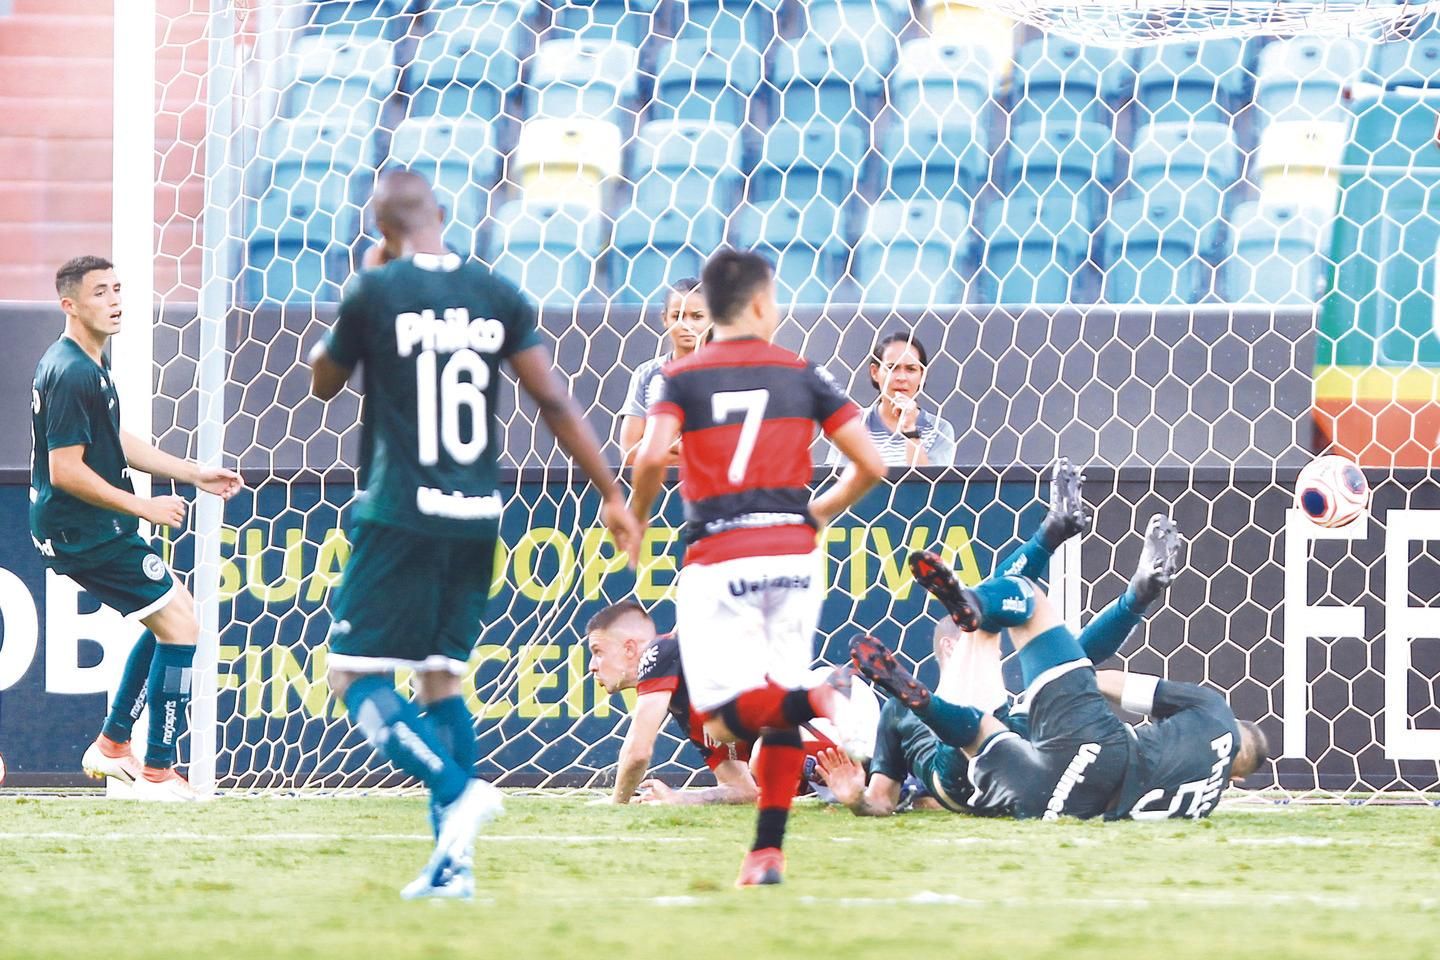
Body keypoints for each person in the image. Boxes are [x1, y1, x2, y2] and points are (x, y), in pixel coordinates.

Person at [308, 169, 641, 900]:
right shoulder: (497, 293)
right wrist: (612, 492)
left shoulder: (377, 291)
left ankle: (455, 786)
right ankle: (452, 869)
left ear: (381, 228)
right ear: (444, 215)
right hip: (477, 517)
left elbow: (324, 381)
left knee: (353, 676)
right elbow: (552, 398)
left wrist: (363, 284)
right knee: (439, 679)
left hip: (399, 511)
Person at [628, 249, 888, 886]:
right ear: (765, 306)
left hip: (719, 556)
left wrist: (634, 517)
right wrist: (814, 515)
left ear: (709, 314)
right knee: (776, 712)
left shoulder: (681, 378)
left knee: (722, 718)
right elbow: (873, 463)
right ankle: (766, 852)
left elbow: (648, 456)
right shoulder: (801, 372)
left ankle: (822, 695)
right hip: (794, 557)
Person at [849, 543, 1270, 821]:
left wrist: (857, 797)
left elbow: (881, 798)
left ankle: (1005, 580)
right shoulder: (1208, 797)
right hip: (1051, 796)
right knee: (982, 722)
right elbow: (887, 797)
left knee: (1021, 598)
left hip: (967, 774)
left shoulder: (896, 711)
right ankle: (996, 591)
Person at [31, 255, 243, 801]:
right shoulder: (73, 369)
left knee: (175, 616)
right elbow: (66, 469)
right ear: (70, 305)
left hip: (93, 526)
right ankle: (156, 771)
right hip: (83, 530)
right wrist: (142, 507)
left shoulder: (87, 362)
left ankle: (115, 745)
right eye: (100, 292)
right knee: (181, 626)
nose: (115, 301)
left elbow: (112, 441)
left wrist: (192, 472)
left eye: (118, 290)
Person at [584, 600, 877, 806]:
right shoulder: (684, 703)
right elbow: (742, 790)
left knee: (765, 755)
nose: (591, 666)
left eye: (598, 651)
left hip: (833, 705)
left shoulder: (660, 652)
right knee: (764, 766)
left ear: (630, 648)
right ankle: (897, 779)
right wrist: (680, 797)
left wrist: (617, 804)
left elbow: (638, 752)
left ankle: (897, 771)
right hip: (815, 727)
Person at [827, 332, 956, 468]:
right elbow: (837, 482)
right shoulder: (851, 425)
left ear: (922, 375)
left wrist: (910, 429)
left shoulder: (940, 430)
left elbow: (930, 486)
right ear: (875, 372)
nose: (901, 377)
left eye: (911, 369)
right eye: (892, 368)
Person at [618, 278, 710, 467]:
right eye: (678, 316)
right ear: (665, 319)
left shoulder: (726, 374)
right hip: (660, 488)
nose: (687, 325)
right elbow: (629, 455)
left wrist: (659, 443)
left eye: (697, 316)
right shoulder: (647, 374)